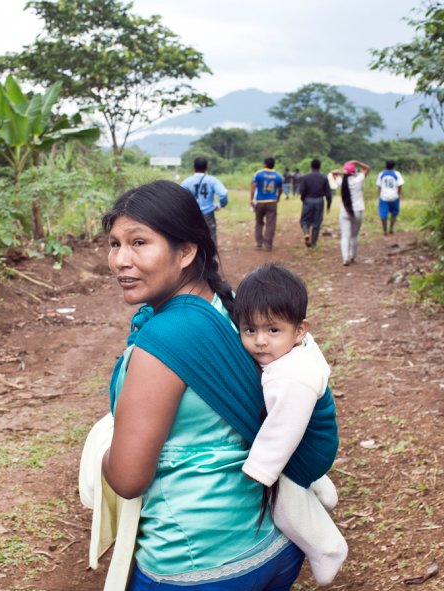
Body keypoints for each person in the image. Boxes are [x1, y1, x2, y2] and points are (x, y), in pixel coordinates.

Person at [101, 180, 339, 590]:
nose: (121, 259)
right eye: (114, 243)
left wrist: (100, 454)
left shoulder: (164, 342)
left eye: (139, 242)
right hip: (274, 544)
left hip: (197, 561)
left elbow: (127, 478)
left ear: (187, 251)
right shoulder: (236, 311)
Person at [234, 263, 347, 585]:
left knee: (284, 501)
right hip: (316, 438)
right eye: (249, 329)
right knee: (297, 477)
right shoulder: (298, 350)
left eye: (272, 330)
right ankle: (319, 487)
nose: (259, 341)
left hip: (308, 446)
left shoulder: (291, 377)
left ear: (300, 329)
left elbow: (281, 433)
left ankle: (327, 547)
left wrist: (259, 473)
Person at [180, 156, 229, 246]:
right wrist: (221, 205)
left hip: (192, 213)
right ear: (206, 167)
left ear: (194, 167)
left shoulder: (186, 182)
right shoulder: (212, 180)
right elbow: (223, 194)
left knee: (192, 234)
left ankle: (195, 254)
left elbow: (179, 197)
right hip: (208, 212)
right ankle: (212, 254)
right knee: (210, 233)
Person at [331, 160, 370, 265]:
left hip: (344, 211)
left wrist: (343, 172)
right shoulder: (358, 180)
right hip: (357, 210)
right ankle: (352, 256)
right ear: (354, 172)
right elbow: (367, 168)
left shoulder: (340, 182)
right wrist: (357, 162)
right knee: (354, 236)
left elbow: (333, 173)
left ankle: (345, 258)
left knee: (344, 236)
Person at [250, 157, 285, 251]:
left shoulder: (258, 174)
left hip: (260, 201)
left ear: (265, 164)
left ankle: (259, 243)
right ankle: (268, 244)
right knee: (271, 223)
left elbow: (253, 187)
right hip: (272, 202)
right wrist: (278, 198)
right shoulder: (278, 176)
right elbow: (281, 189)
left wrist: (251, 199)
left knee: (259, 222)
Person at [297, 159, 332, 248]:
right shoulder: (324, 177)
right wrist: (328, 204)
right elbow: (328, 193)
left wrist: (303, 200)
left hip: (308, 200)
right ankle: (314, 244)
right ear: (320, 167)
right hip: (319, 200)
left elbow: (302, 191)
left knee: (304, 220)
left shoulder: (305, 177)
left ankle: (306, 233)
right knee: (317, 223)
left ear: (311, 166)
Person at [376, 159, 405, 235]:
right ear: (394, 166)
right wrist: (398, 194)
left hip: (384, 196)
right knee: (394, 213)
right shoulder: (397, 174)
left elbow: (379, 186)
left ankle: (384, 230)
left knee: (383, 214)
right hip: (394, 196)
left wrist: (379, 195)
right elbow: (400, 185)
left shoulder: (381, 174)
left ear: (385, 165)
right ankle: (391, 228)